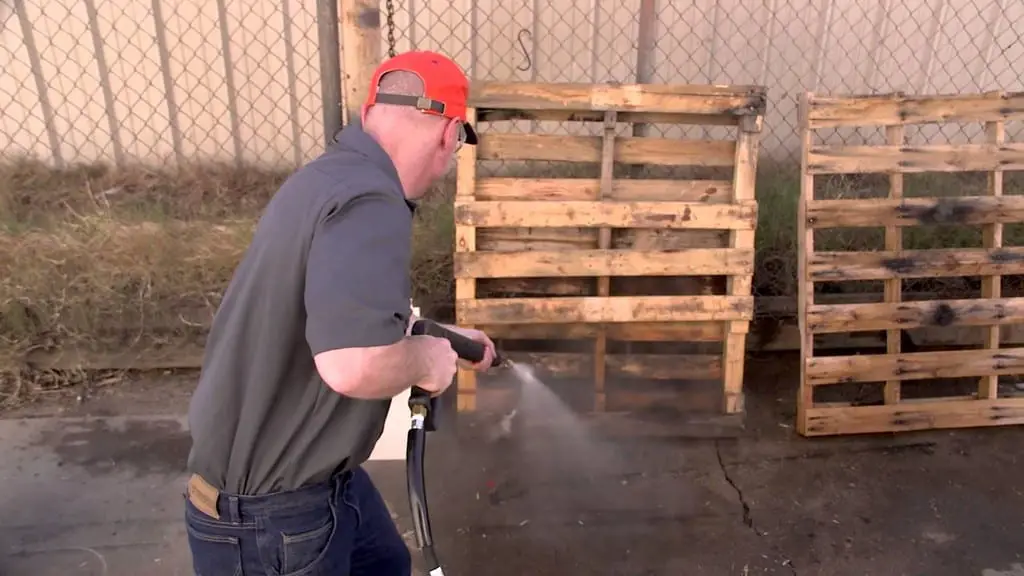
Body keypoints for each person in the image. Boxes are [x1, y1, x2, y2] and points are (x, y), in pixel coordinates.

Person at [182, 50, 496, 576]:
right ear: (449, 137)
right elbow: (353, 364)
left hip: (317, 485)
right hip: (272, 521)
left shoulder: (330, 180)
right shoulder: (370, 201)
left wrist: (440, 335)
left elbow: (336, 317)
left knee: (386, 562)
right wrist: (424, 361)